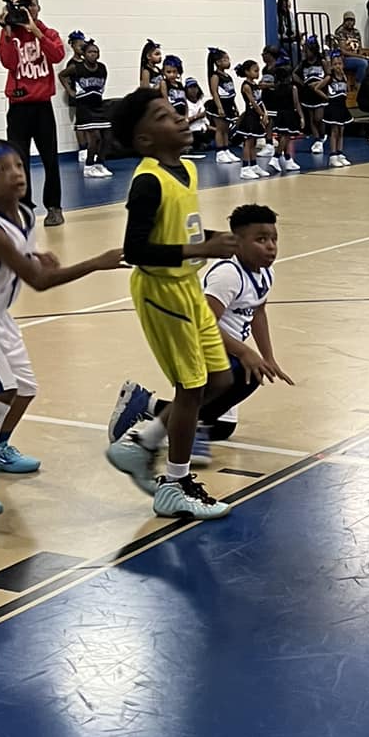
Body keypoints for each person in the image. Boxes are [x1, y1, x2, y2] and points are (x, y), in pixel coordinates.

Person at [0, 141, 122, 516]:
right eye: (2, 170)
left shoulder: (25, 214)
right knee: (2, 390)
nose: (15, 174)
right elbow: (39, 283)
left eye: (18, 166)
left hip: (0, 318)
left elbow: (22, 258)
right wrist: (96, 263)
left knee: (25, 389)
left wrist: (35, 256)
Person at [102, 86, 248, 520]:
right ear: (145, 140)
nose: (179, 118)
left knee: (221, 381)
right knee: (192, 388)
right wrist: (200, 251)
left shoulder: (186, 169)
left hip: (186, 287)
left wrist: (212, 240)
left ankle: (143, 442)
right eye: (164, 116)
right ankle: (174, 483)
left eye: (175, 111)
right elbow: (138, 249)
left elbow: (179, 236)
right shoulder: (148, 181)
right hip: (162, 292)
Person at [116, 203, 293, 469]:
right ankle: (178, 433)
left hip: (226, 349)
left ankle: (145, 403)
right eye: (261, 239)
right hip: (198, 344)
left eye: (273, 239)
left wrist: (269, 357)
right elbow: (203, 325)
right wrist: (245, 352)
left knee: (223, 427)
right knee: (244, 375)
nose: (270, 247)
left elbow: (258, 312)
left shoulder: (266, 273)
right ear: (237, 243)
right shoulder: (227, 276)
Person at [0, 0, 67, 225]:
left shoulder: (49, 33)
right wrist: (7, 29)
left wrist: (36, 31)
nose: (28, 10)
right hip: (18, 107)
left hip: (42, 107)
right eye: (23, 5)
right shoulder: (11, 34)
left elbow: (58, 55)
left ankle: (54, 207)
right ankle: (24, 207)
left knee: (50, 159)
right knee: (19, 161)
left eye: (32, 5)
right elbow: (7, 62)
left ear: (38, 8)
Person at [63, 41, 112, 177]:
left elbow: (102, 84)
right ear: (84, 54)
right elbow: (62, 75)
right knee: (94, 137)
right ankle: (88, 166)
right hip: (84, 107)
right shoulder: (77, 67)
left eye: (96, 52)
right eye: (90, 52)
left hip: (98, 105)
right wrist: (70, 90)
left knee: (107, 137)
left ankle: (100, 163)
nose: (93, 54)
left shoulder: (102, 68)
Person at [207, 48, 241, 168]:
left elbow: (231, 93)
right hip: (219, 106)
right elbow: (214, 92)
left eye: (228, 59)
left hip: (228, 105)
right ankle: (220, 152)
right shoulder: (215, 76)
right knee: (220, 129)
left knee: (226, 129)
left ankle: (226, 149)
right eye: (225, 59)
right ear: (218, 62)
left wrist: (235, 106)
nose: (228, 62)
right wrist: (219, 107)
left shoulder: (228, 76)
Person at [323, 54, 351, 167]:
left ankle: (340, 153)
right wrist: (327, 97)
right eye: (335, 64)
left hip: (342, 106)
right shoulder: (329, 78)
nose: (338, 66)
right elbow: (317, 88)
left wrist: (344, 77)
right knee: (334, 131)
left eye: (340, 64)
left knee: (341, 131)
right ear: (331, 66)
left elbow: (348, 89)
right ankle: (333, 155)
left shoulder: (344, 77)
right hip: (333, 107)